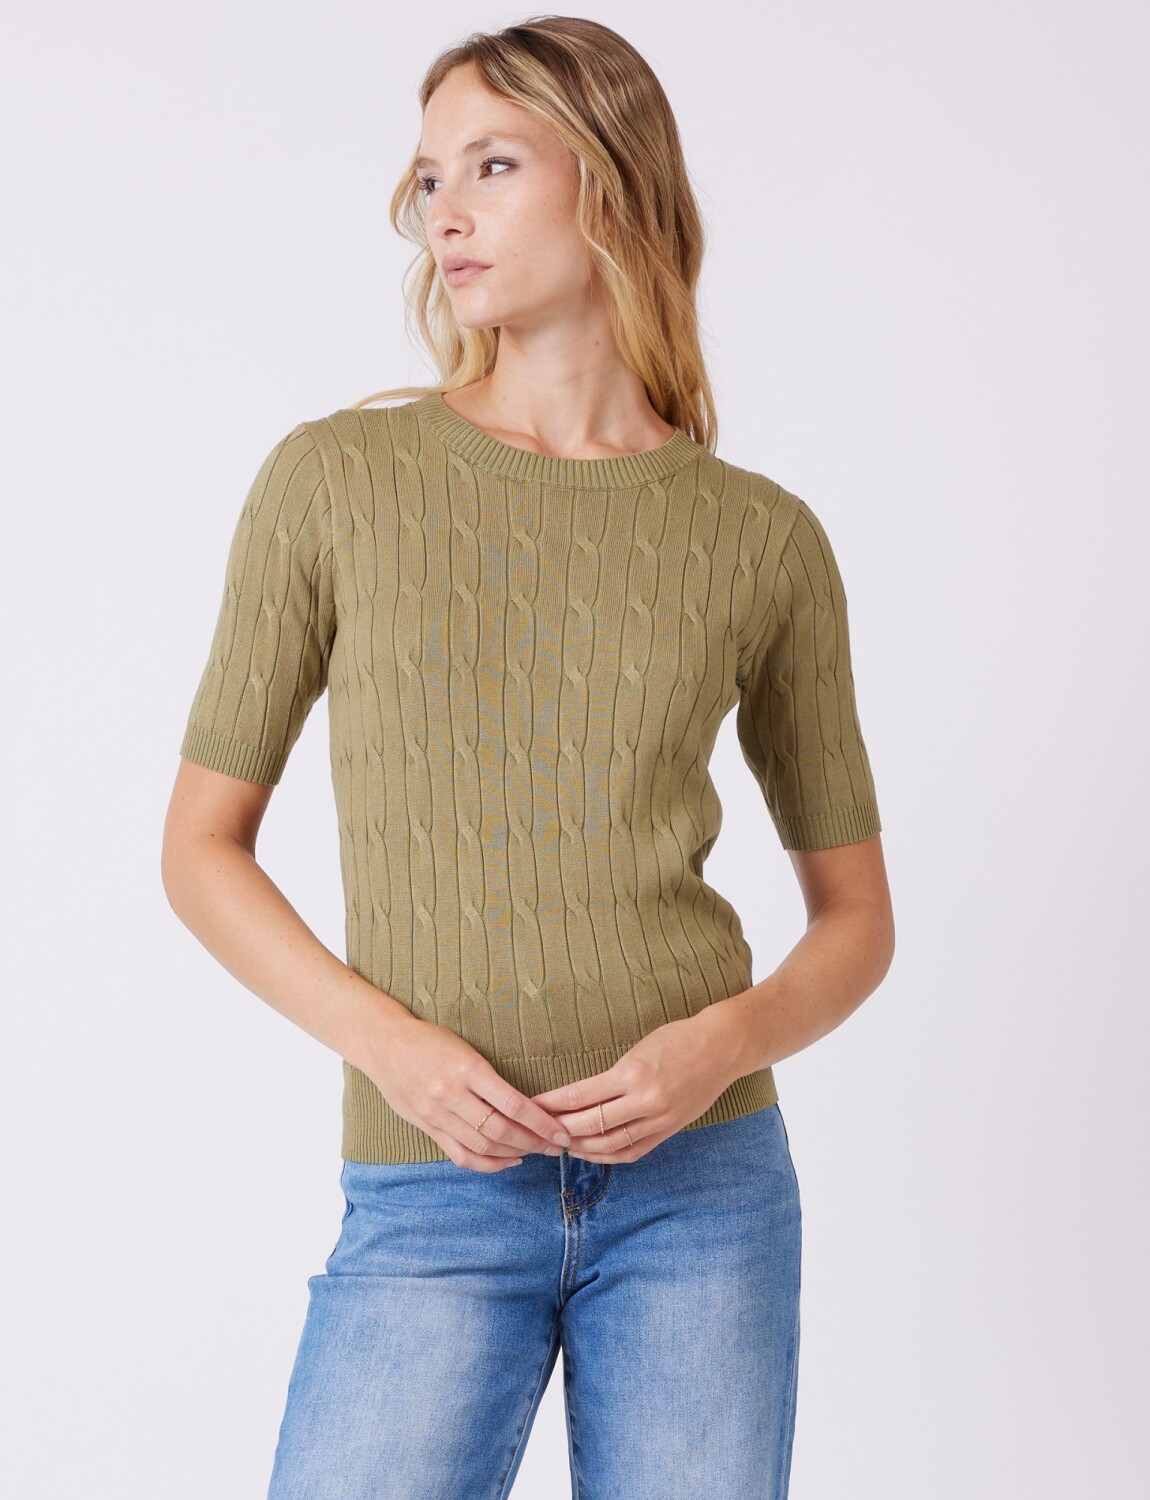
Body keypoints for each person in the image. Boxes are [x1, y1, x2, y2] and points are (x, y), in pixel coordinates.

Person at [161, 16, 895, 1499]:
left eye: (492, 165)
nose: (446, 211)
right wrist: (392, 1048)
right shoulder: (336, 482)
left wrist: (720, 1046)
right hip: (432, 1191)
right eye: (430, 177)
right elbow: (198, 850)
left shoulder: (757, 537)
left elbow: (856, 923)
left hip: (702, 1197)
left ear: (612, 180)